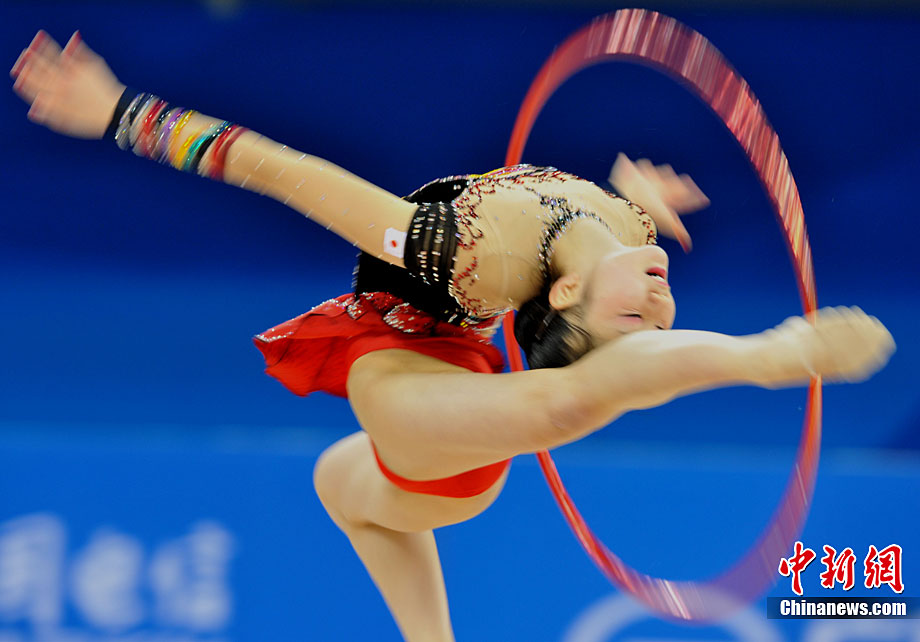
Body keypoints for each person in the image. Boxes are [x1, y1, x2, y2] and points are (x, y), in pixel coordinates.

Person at [10, 30, 895, 642]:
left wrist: (119, 112)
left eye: (639, 321)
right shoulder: (621, 228)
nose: (663, 302)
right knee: (341, 485)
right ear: (569, 282)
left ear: (570, 297)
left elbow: (277, 169)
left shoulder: (455, 251)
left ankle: (770, 355)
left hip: (426, 397)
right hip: (431, 383)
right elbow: (603, 253)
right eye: (657, 317)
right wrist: (637, 201)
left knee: (563, 402)